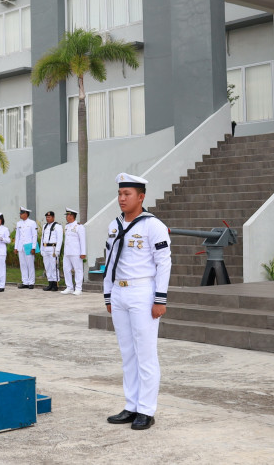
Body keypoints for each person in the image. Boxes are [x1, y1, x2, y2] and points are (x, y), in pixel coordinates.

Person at [104, 173, 171, 431]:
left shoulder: (152, 226)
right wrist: (108, 294)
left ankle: (146, 410)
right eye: (120, 194)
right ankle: (131, 406)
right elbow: (110, 261)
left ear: (141, 197)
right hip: (120, 293)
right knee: (128, 353)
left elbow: (164, 263)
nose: (121, 199)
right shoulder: (114, 225)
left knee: (145, 354)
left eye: (127, 194)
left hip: (143, 292)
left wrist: (160, 298)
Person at [61, 207, 86, 295]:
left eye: (68, 215)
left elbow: (82, 240)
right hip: (67, 252)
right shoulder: (67, 226)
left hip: (76, 252)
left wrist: (83, 252)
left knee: (78, 269)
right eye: (66, 215)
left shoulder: (79, 226)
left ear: (72, 216)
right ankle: (69, 287)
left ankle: (78, 288)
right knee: (66, 269)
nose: (66, 217)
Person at [14, 207, 38, 289]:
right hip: (21, 246)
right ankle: (25, 282)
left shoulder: (32, 223)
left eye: (22, 213)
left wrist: (34, 247)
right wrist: (16, 247)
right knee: (23, 265)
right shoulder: (19, 223)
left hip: (29, 246)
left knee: (30, 265)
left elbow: (34, 235)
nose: (20, 215)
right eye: (20, 213)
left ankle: (31, 282)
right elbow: (17, 236)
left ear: (26, 214)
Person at [41, 211, 63, 291]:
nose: (48, 218)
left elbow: (60, 239)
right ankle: (50, 283)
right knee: (47, 266)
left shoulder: (57, 226)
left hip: (53, 248)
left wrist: (57, 250)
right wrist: (42, 249)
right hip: (45, 248)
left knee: (54, 267)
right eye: (47, 217)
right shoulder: (45, 226)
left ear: (53, 217)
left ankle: (55, 284)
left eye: (49, 217)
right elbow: (42, 238)